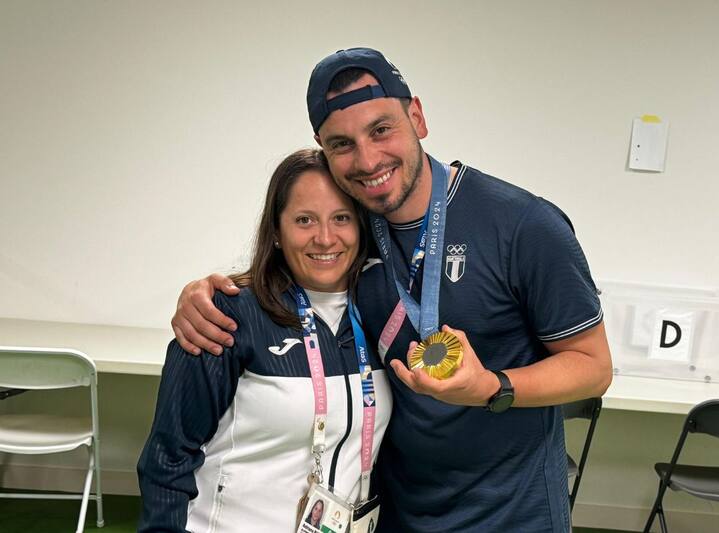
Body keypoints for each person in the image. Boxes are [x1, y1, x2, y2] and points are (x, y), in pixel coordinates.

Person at [171, 48, 612, 532]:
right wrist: (206, 293)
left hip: (509, 513)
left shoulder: (523, 225)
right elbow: (302, 257)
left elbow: (593, 368)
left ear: (417, 117)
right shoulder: (357, 222)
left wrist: (491, 386)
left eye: (381, 129)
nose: (367, 159)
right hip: (398, 511)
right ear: (322, 147)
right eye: (342, 144)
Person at [137, 148, 392, 532]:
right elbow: (168, 456)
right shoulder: (225, 315)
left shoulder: (381, 313)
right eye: (305, 220)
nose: (325, 238)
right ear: (276, 231)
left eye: (341, 218)